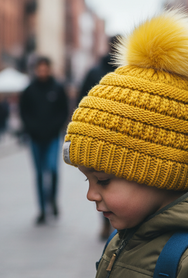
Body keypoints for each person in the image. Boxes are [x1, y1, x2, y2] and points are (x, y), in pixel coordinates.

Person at [62, 10, 188, 277]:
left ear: (158, 172)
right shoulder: (124, 237)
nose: (91, 195)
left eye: (103, 180)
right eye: (89, 180)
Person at [78, 35, 119, 240]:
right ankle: (107, 222)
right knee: (104, 180)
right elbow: (82, 99)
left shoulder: (130, 71)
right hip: (100, 135)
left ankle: (115, 221)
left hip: (120, 136)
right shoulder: (96, 71)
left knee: (112, 181)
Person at [20, 57, 68, 224]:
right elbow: (23, 112)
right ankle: (41, 209)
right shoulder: (29, 90)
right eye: (39, 69)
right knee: (39, 174)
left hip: (52, 137)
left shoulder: (57, 88)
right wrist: (31, 127)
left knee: (53, 170)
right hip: (35, 138)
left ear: (49, 69)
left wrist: (55, 127)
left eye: (44, 68)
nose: (42, 71)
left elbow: (64, 111)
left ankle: (52, 200)